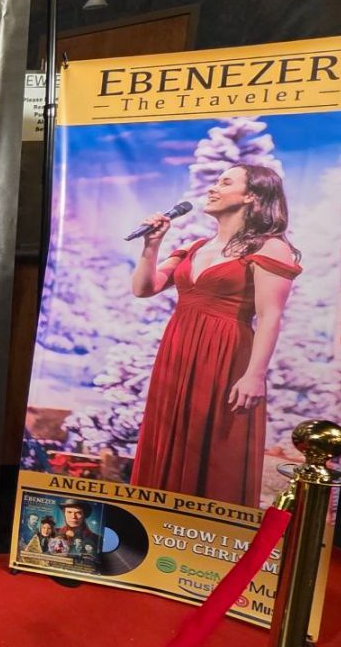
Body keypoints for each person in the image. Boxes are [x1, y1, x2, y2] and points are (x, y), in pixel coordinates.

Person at [129, 164, 301, 505]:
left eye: (225, 182)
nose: (213, 188)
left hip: (225, 354)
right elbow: (143, 288)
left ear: (252, 196)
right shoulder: (196, 247)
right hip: (178, 352)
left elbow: (270, 316)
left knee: (214, 447)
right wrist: (151, 245)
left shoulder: (270, 247)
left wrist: (255, 376)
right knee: (170, 435)